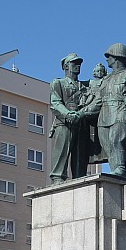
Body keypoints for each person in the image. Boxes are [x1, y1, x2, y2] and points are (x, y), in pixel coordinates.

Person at [86, 43, 126, 181]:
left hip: (121, 113)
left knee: (116, 140)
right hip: (104, 116)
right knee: (107, 144)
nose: (107, 59)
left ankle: (120, 168)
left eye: (109, 56)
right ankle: (115, 170)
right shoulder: (105, 79)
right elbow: (98, 100)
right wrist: (83, 113)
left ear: (117, 57)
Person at [49, 52, 89, 183]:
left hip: (81, 122)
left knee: (80, 155)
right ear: (66, 66)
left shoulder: (85, 86)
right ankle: (57, 177)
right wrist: (67, 114)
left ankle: (79, 178)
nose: (78, 66)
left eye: (79, 64)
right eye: (74, 63)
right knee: (62, 151)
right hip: (64, 122)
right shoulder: (58, 83)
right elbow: (55, 103)